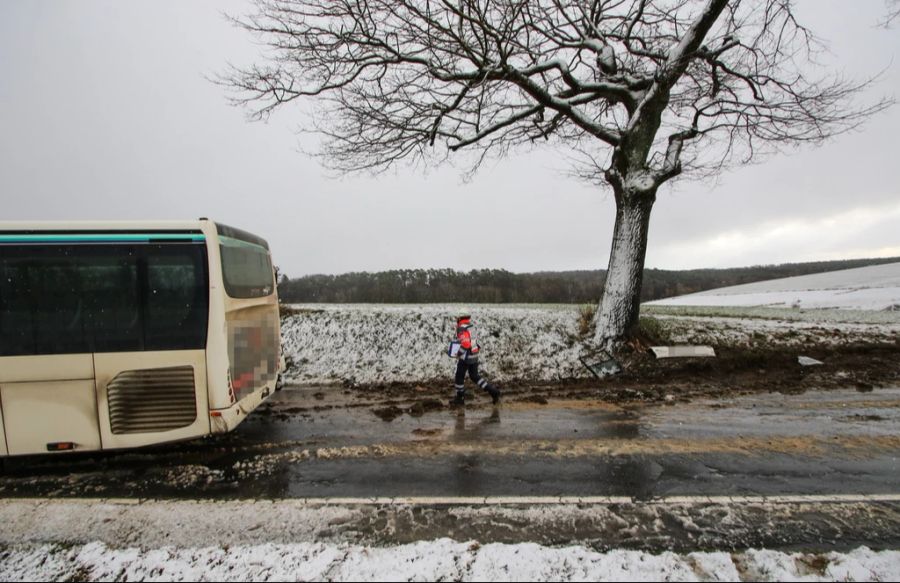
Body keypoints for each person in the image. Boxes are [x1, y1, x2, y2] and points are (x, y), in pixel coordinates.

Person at [449, 312, 501, 406]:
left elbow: (465, 344)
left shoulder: (461, 328)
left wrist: (458, 353)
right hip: (474, 355)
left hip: (466, 357)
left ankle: (460, 398)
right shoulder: (471, 326)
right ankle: (493, 391)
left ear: (460, 318)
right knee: (474, 376)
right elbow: (475, 342)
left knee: (459, 377)